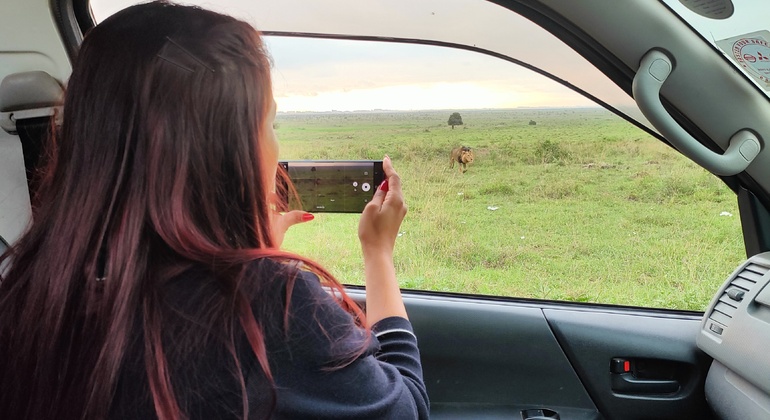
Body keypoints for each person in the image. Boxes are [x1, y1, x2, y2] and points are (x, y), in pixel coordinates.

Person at [0, 2, 428, 419]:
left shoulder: (31, 286)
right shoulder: (269, 305)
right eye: (269, 123)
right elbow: (406, 409)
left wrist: (250, 253)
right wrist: (377, 253)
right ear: (228, 151)